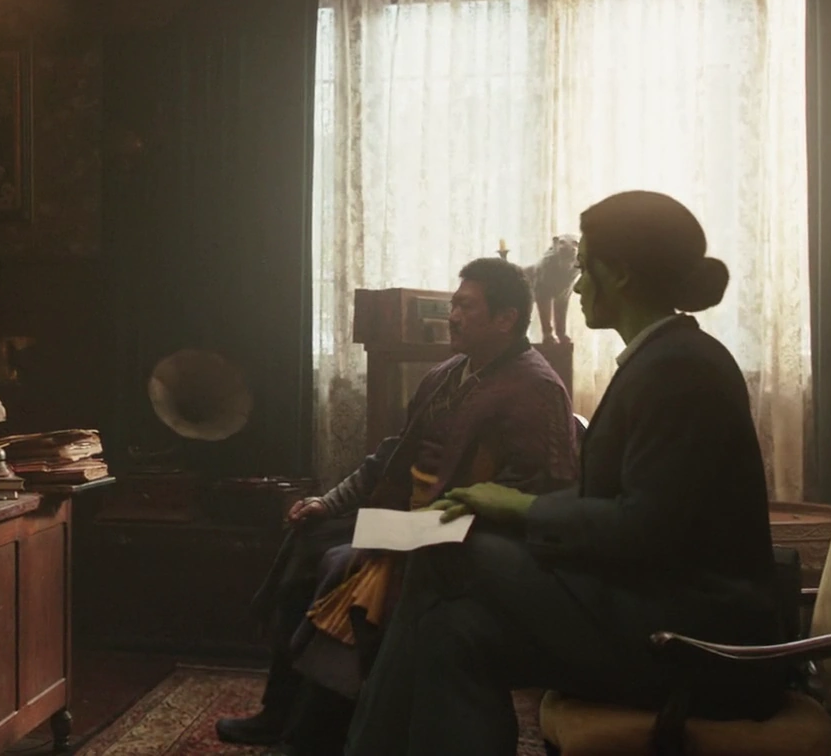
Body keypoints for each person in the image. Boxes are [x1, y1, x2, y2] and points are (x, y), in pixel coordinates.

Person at [344, 191, 786, 755]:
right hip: (655, 608)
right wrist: (504, 507)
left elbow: (644, 529)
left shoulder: (679, 370)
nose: (575, 288)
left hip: (696, 642)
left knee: (444, 552)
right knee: (453, 631)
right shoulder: (665, 358)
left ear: (619, 275)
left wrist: (521, 507)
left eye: (584, 268)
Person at [219, 257, 578, 753]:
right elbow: (392, 456)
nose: (453, 316)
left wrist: (440, 525)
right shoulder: (448, 373)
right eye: (453, 305)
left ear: (506, 319)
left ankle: (315, 736)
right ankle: (277, 710)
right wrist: (329, 502)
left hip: (460, 538)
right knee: (309, 539)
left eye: (466, 307)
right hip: (406, 518)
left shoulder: (536, 387)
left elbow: (543, 489)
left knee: (342, 565)